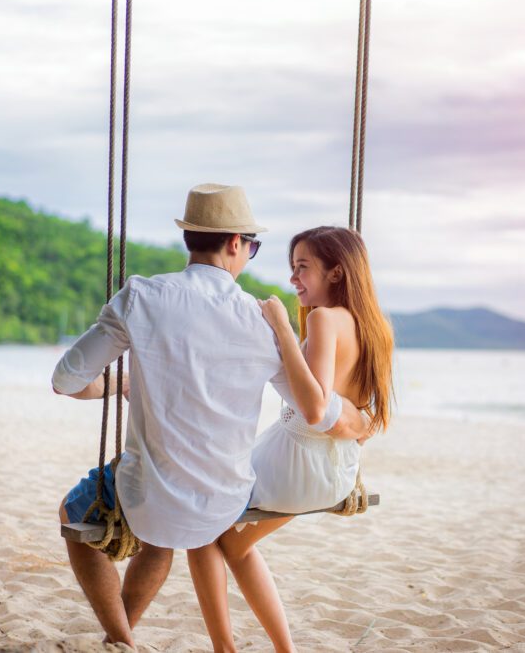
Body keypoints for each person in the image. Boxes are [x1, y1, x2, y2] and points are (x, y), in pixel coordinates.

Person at [51, 185, 371, 650]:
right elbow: (313, 411)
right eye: (254, 247)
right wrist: (362, 423)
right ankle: (119, 639)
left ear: (191, 240)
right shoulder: (260, 321)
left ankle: (120, 638)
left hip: (151, 498)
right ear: (236, 244)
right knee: (164, 536)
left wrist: (114, 386)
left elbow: (66, 380)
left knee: (75, 514)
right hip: (225, 499)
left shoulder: (141, 296)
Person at [201, 226, 394, 652]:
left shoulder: (325, 319)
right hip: (336, 474)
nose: (293, 279)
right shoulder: (375, 327)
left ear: (337, 272)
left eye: (302, 268)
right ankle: (285, 649)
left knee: (200, 528)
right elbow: (355, 412)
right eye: (293, 268)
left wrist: (282, 329)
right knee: (233, 547)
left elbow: (315, 408)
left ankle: (223, 648)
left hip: (294, 468)